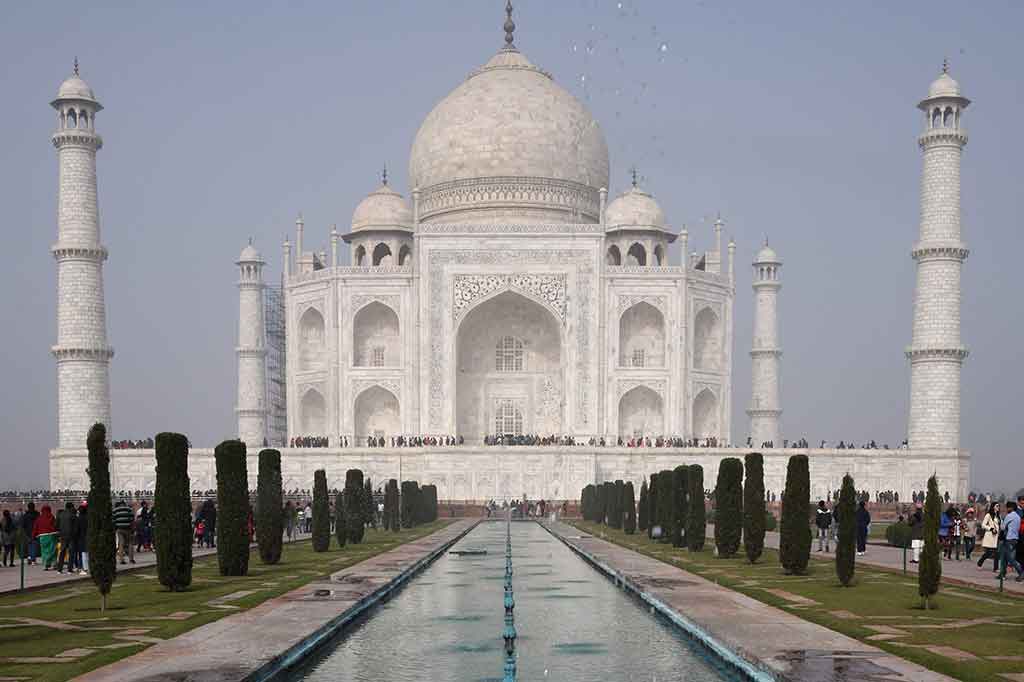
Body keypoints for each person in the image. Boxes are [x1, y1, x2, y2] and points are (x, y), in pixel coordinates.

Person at [997, 501, 1024, 582]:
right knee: (1004, 557)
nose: (1006, 509)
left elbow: (1002, 527)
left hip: (1008, 539)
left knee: (1010, 559)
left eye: (1007, 507)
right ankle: (1002, 574)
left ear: (1011, 508)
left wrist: (1001, 521)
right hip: (1015, 539)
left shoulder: (1009, 516)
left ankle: (1021, 572)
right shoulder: (1018, 516)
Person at [977, 502, 1001, 572]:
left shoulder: (998, 516)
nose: (998, 507)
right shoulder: (988, 515)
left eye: (998, 506)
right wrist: (991, 529)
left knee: (996, 553)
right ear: (993, 507)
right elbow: (983, 525)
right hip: (990, 536)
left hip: (996, 536)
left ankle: (995, 568)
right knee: (989, 553)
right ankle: (980, 562)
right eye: (996, 506)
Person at [33, 504, 58, 570]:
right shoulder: (52, 517)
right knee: (53, 550)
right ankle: (53, 564)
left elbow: (35, 527)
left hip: (42, 536)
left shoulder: (39, 518)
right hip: (52, 535)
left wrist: (33, 535)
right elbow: (55, 525)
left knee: (44, 551)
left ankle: (45, 565)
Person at [55, 502, 78, 574]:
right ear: (71, 507)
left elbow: (56, 525)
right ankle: (69, 569)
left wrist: (60, 532)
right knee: (71, 553)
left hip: (62, 536)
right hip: (71, 536)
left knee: (62, 552)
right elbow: (76, 528)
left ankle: (59, 569)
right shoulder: (73, 515)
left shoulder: (60, 515)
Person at [112, 500, 135, 565]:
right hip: (128, 529)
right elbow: (132, 519)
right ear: (124, 504)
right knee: (130, 543)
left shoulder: (115, 510)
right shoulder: (129, 509)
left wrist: (115, 528)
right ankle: (131, 559)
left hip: (119, 529)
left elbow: (113, 520)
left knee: (121, 544)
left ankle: (121, 560)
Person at [76, 502, 89, 575]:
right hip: (89, 536)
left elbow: (77, 530)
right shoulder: (89, 517)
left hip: (82, 537)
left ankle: (84, 569)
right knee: (88, 553)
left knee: (83, 554)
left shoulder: (79, 518)